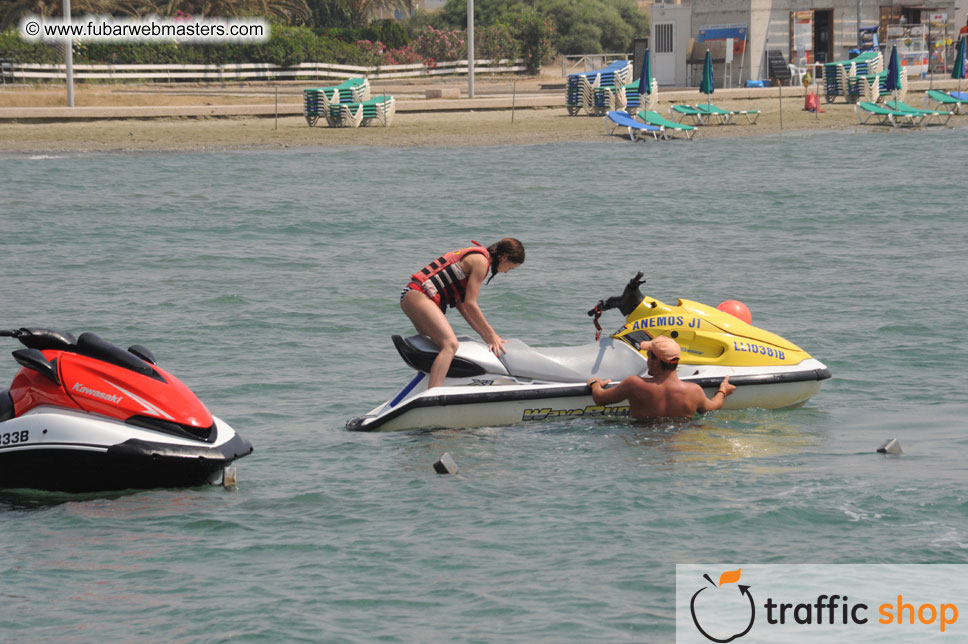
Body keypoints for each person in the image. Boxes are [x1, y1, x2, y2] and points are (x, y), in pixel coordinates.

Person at [401, 238, 525, 389]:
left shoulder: (478, 258)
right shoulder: (481, 261)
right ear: (504, 257)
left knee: (436, 347)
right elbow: (471, 304)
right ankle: (433, 394)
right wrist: (492, 335)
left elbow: (463, 307)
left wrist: (485, 336)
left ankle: (424, 389)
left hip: (411, 297)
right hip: (418, 296)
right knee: (450, 345)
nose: (506, 272)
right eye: (510, 268)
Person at [586, 335, 736, 419]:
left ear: (657, 361)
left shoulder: (634, 384)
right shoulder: (694, 391)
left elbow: (600, 399)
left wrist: (595, 383)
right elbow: (712, 407)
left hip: (644, 443)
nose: (647, 360)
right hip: (681, 445)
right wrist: (723, 390)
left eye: (649, 356)